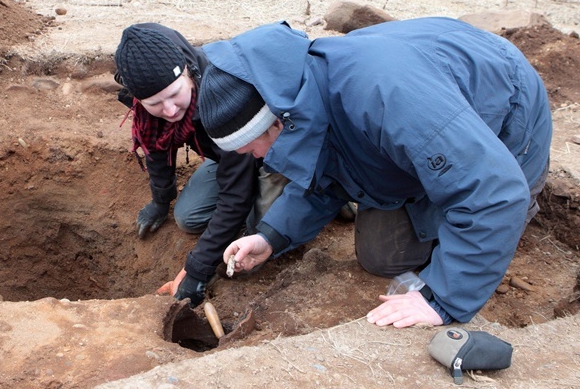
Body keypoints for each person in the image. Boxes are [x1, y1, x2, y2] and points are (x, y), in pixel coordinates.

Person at [196, 17, 552, 327]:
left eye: (251, 148)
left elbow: (492, 190)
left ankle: (505, 214)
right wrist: (270, 237)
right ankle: (443, 193)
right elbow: (326, 172)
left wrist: (439, 298)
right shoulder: (301, 98)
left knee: (489, 201)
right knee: (385, 257)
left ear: (276, 123)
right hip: (432, 117)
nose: (255, 158)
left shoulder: (386, 98)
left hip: (503, 115)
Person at [113, 23, 290, 307]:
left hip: (274, 152)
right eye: (155, 103)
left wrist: (196, 270)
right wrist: (161, 200)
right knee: (188, 217)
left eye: (174, 95)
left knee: (255, 241)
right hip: (228, 157)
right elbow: (157, 150)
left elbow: (236, 194)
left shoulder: (221, 91)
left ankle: (320, 193)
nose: (169, 110)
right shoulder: (151, 112)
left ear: (187, 71)